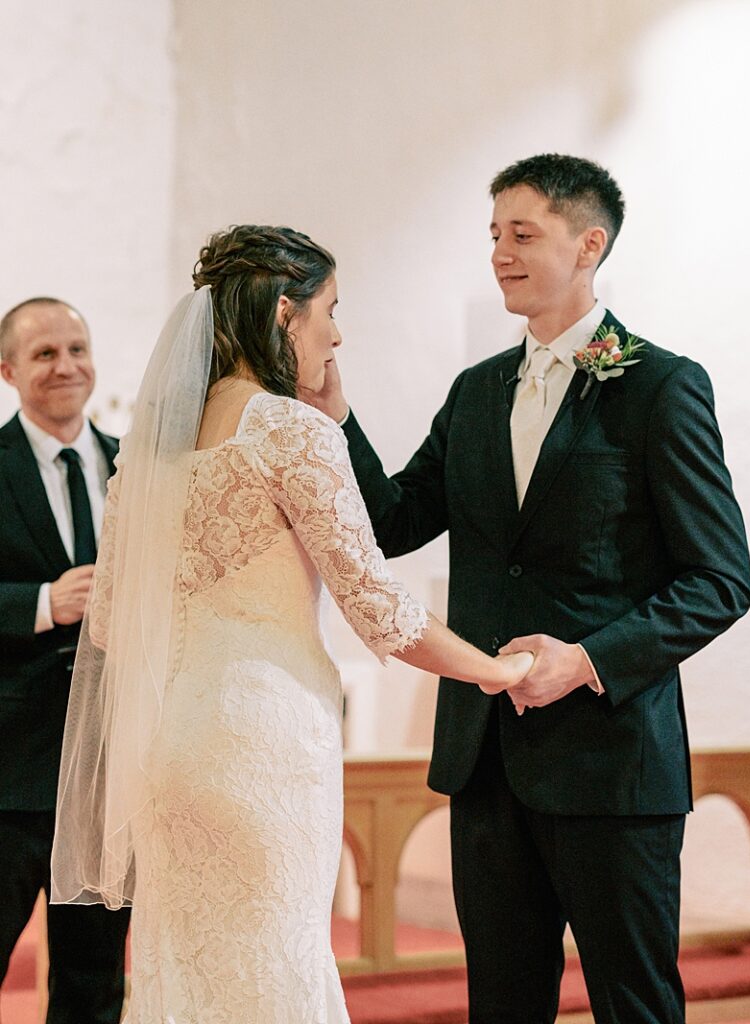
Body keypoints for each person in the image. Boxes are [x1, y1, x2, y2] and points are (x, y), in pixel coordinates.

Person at [307, 155, 750, 1024]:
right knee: (502, 1005)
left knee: (636, 1003)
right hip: (487, 762)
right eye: (493, 237)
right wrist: (336, 417)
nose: (501, 254)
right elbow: (395, 519)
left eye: (523, 234)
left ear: (589, 244)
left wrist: (586, 659)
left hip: (612, 762)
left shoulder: (660, 386)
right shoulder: (475, 394)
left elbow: (719, 579)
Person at [49, 225, 533, 1023]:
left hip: (169, 748)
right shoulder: (289, 429)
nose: (336, 333)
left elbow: (105, 623)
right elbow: (377, 604)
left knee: (186, 969)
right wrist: (498, 670)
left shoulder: (148, 450)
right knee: (278, 962)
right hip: (261, 745)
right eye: (330, 310)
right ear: (285, 313)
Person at [0, 298, 130, 1023]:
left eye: (77, 348)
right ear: (9, 370)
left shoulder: (133, 467)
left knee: (93, 979)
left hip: (107, 777)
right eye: (46, 354)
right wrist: (43, 602)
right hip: (10, 773)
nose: (67, 367)